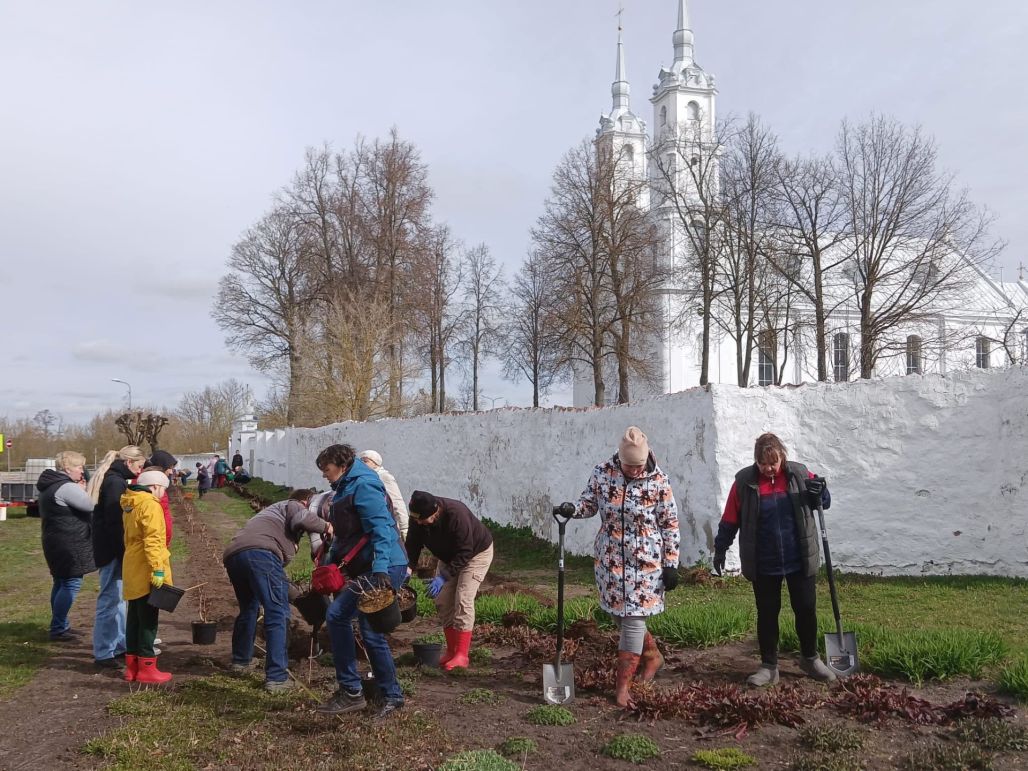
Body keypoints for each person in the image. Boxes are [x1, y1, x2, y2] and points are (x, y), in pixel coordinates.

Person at [557, 426, 681, 708]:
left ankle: (623, 687)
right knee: (619, 616)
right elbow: (589, 504)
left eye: (639, 466)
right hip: (610, 560)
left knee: (634, 621)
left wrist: (671, 563)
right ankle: (653, 656)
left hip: (645, 562)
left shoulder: (659, 481)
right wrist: (572, 510)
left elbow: (670, 524)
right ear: (619, 458)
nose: (634, 471)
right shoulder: (603, 473)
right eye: (629, 466)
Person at [712, 432, 835, 686]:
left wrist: (821, 492)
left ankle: (810, 658)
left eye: (773, 463)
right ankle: (769, 666)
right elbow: (730, 518)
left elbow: (823, 502)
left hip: (799, 557)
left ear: (782, 457)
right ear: (756, 461)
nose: (768, 468)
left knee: (806, 609)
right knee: (767, 613)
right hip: (764, 561)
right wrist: (721, 548)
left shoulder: (800, 474)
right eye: (763, 463)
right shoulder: (744, 482)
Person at [314, 444, 408, 719]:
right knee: (344, 619)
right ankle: (364, 691)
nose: (324, 475)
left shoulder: (364, 485)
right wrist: (329, 562)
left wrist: (380, 568)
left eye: (326, 469)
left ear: (342, 465)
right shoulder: (346, 486)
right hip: (368, 566)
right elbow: (347, 534)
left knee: (360, 625)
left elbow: (381, 529)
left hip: (384, 565)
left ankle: (374, 694)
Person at [223, 489, 332, 692]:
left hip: (235, 556)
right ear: (305, 501)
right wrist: (327, 526)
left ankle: (241, 661)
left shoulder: (271, 518)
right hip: (260, 553)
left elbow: (273, 576)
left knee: (249, 609)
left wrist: (299, 598)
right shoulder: (293, 505)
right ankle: (277, 678)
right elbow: (302, 518)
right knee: (278, 612)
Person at [405, 490, 493, 671]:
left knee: (463, 598)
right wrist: (407, 569)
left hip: (475, 554)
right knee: (443, 600)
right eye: (416, 519)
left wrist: (442, 577)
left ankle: (462, 655)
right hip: (448, 556)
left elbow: (465, 552)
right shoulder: (417, 518)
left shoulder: (456, 515)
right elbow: (412, 545)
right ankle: (452, 651)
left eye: (422, 519)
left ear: (435, 512)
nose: (419, 523)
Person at [87, 445, 147, 668]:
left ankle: (120, 645)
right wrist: (124, 554)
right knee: (110, 601)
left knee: (120, 600)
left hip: (110, 548)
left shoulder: (115, 479)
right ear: (128, 463)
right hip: (111, 551)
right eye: (139, 466)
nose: (140, 470)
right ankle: (103, 652)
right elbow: (115, 523)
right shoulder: (115, 483)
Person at [37, 450, 97, 641]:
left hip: (55, 539)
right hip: (69, 541)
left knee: (61, 581)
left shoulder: (50, 485)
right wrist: (88, 488)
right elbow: (91, 504)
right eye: (79, 467)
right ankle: (58, 628)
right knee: (71, 582)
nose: (82, 471)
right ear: (67, 468)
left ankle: (60, 625)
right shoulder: (66, 487)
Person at [121, 469, 174, 683]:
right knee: (148, 620)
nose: (162, 495)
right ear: (155, 487)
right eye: (162, 490)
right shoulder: (150, 505)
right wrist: (158, 569)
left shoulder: (130, 503)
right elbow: (153, 541)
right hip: (146, 568)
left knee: (134, 618)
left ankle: (131, 667)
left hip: (132, 563)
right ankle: (147, 668)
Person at [358, 450, 410, 541]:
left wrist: (404, 527)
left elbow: (397, 501)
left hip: (387, 524)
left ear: (376, 463)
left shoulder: (384, 476)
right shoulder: (363, 478)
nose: (362, 463)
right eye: (361, 461)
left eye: (365, 461)